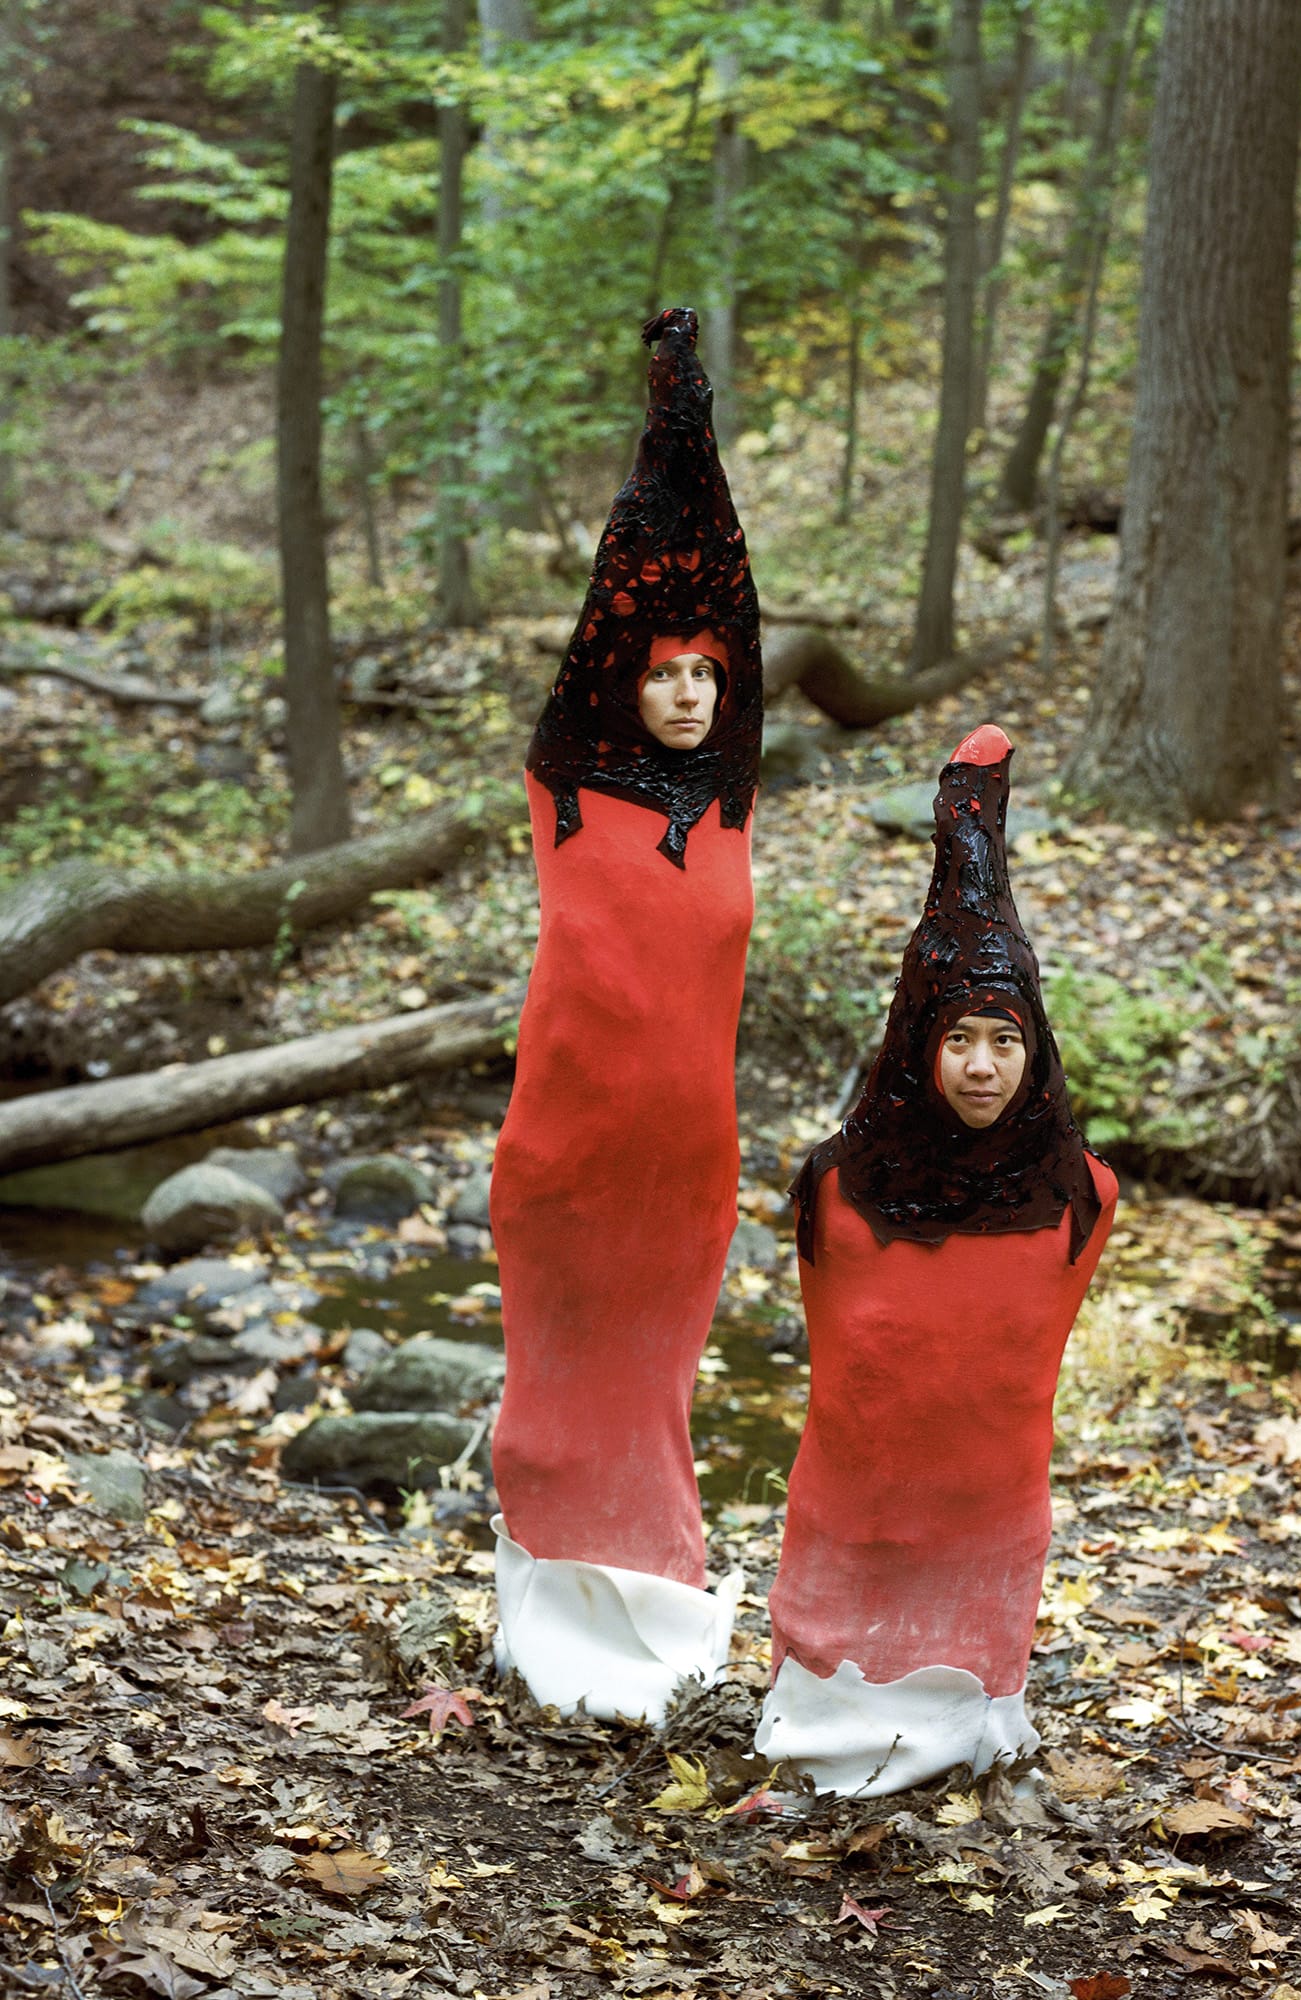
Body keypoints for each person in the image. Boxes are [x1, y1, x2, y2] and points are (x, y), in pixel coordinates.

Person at [755, 723, 1118, 1796]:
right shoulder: (836, 1187)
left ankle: (968, 1727)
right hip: (849, 1545)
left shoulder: (1079, 1196)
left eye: (1004, 1039)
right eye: (957, 1036)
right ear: (918, 1046)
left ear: (1035, 1050)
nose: (980, 1063)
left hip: (985, 1547)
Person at [488, 307, 761, 1723]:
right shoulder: (566, 788)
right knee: (557, 1398)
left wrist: (696, 447)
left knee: (655, 1388)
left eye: (703, 673)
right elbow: (615, 611)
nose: (685, 689)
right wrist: (669, 421)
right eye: (663, 671)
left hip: (685, 1163)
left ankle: (651, 1614)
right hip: (567, 1156)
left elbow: (740, 624)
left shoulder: (729, 804)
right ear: (624, 683)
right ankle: (548, 1629)